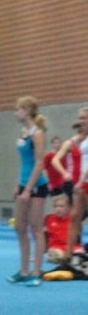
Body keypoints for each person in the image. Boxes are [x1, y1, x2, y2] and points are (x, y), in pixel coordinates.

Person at [8, 95, 48, 287]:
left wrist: (29, 189)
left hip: (37, 185)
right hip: (24, 183)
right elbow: (24, 162)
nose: (16, 113)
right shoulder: (23, 132)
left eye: (19, 110)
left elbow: (39, 163)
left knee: (36, 227)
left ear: (28, 111)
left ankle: (36, 272)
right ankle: (24, 270)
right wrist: (19, 185)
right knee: (20, 227)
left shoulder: (37, 133)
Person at [56, 106, 88, 260]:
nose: (81, 120)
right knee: (75, 216)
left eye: (84, 118)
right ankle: (68, 255)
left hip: (84, 181)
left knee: (76, 215)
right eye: (80, 118)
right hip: (83, 182)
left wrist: (81, 180)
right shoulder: (82, 140)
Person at [43, 192, 76, 264]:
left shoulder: (73, 219)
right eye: (56, 206)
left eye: (61, 206)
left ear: (68, 208)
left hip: (72, 247)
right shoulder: (48, 218)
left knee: (80, 254)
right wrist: (42, 251)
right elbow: (42, 235)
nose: (58, 209)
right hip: (56, 248)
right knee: (54, 255)